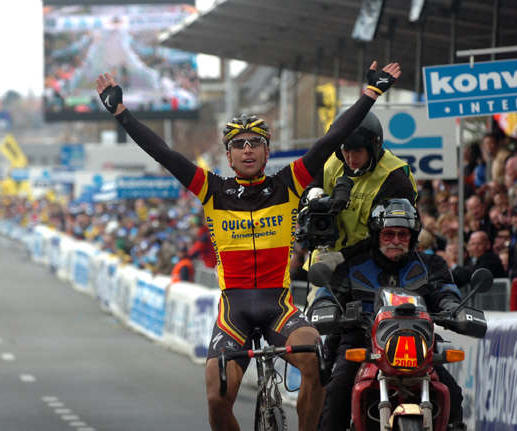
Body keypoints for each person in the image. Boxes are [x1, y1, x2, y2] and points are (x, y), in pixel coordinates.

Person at [96, 61, 401, 431]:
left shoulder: (288, 184)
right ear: (228, 156)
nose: (247, 150)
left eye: (255, 142)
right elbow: (163, 152)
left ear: (267, 150)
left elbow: (330, 139)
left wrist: (370, 94)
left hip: (278, 306)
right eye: (238, 145)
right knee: (216, 397)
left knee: (316, 363)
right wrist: (121, 113)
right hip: (234, 310)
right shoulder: (212, 189)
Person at [309, 198, 466, 431]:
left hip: (420, 343)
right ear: (376, 235)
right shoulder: (351, 265)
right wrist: (326, 308)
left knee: (451, 392)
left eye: (403, 234)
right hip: (362, 341)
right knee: (336, 392)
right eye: (388, 233)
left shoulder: (431, 265)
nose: (396, 240)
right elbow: (326, 294)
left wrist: (454, 309)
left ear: (413, 237)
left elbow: (446, 291)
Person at [301, 110, 417, 274]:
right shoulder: (331, 160)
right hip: (325, 264)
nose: (350, 159)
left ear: (373, 147)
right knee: (318, 300)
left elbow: (394, 234)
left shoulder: (395, 178)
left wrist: (341, 256)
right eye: (345, 151)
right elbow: (310, 184)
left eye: (357, 151)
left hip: (374, 270)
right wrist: (315, 196)